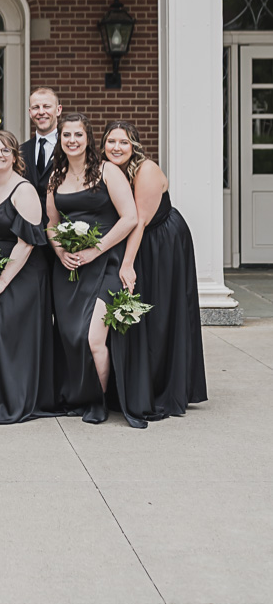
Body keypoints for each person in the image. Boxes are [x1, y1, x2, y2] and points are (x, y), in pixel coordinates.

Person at [47, 112, 147, 428]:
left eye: (78, 135)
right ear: (59, 140)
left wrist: (95, 250)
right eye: (66, 135)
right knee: (69, 337)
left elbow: (130, 217)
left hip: (106, 264)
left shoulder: (107, 171)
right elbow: (51, 224)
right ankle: (76, 397)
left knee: (91, 339)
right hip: (68, 268)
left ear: (89, 139)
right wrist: (61, 250)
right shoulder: (55, 176)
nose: (72, 140)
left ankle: (97, 400)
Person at [103, 122, 208, 417]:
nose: (116, 147)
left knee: (160, 312)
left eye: (123, 142)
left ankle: (166, 386)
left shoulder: (145, 169)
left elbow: (140, 220)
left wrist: (126, 264)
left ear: (134, 145)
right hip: (139, 242)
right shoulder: (111, 171)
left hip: (162, 242)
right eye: (111, 141)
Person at [0, 131, 56, 424]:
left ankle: (13, 400)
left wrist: (2, 281)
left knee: (3, 336)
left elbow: (27, 243)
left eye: (6, 150)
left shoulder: (24, 190)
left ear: (15, 157)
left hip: (21, 273)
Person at [20, 87, 62, 214]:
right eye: (36, 107)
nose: (41, 112)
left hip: (61, 224)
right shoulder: (21, 151)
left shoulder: (70, 148)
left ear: (58, 110)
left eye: (47, 106)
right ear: (29, 112)